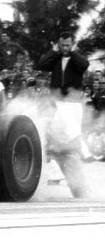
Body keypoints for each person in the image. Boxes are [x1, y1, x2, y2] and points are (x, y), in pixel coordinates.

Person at [38, 31, 90, 198]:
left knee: (71, 143)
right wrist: (54, 51)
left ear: (72, 44)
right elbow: (42, 64)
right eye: (62, 45)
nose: (65, 48)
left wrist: (72, 52)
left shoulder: (77, 58)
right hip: (57, 103)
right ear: (58, 44)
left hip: (72, 104)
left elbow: (84, 65)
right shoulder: (55, 57)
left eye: (68, 45)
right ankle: (61, 178)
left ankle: (79, 187)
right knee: (54, 142)